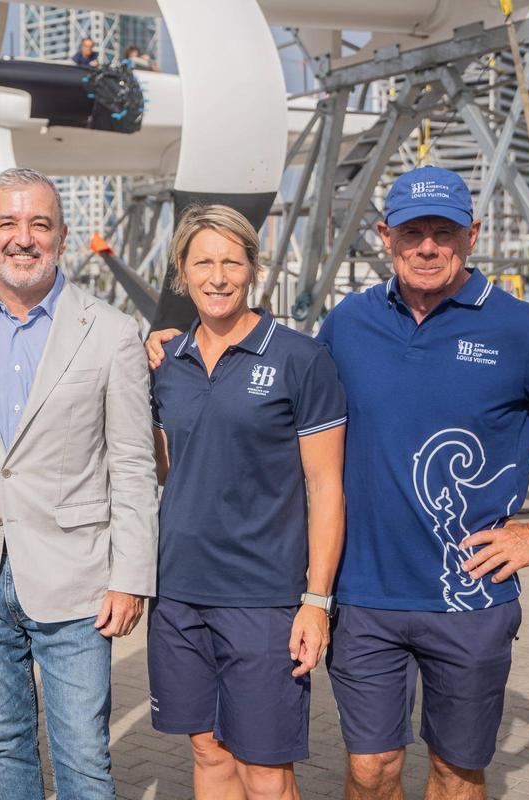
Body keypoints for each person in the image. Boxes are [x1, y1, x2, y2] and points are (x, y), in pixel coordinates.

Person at [146, 166, 529, 800]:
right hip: (363, 598)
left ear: (472, 235)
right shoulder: (349, 323)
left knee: (456, 772)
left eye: (444, 232)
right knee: (370, 771)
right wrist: (175, 344)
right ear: (386, 236)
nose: (427, 247)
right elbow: (270, 388)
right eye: (412, 233)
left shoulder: (520, 328)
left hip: (468, 597)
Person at [0, 167, 158, 799]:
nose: (24, 238)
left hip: (77, 579)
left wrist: (131, 578)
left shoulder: (111, 333)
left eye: (39, 224)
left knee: (83, 760)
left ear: (62, 236)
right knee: (5, 748)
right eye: (9, 224)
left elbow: (132, 462)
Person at [148, 205, 345, 800]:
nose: (217, 276)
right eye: (202, 261)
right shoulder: (165, 364)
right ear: (180, 272)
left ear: (254, 269)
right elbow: (164, 469)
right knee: (208, 751)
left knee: (264, 770)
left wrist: (316, 601)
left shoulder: (299, 359)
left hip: (264, 598)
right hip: (177, 592)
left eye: (232, 261)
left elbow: (327, 487)